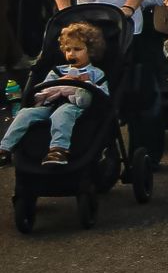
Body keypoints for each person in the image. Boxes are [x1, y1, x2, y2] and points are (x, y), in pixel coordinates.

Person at [5, 20, 109, 165]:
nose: (71, 53)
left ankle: (58, 150)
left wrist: (85, 85)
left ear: (90, 50)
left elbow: (104, 96)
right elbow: (45, 88)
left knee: (63, 113)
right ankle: (5, 148)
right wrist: (60, 84)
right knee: (24, 113)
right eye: (68, 50)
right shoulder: (57, 70)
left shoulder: (96, 73)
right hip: (49, 105)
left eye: (77, 49)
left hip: (76, 106)